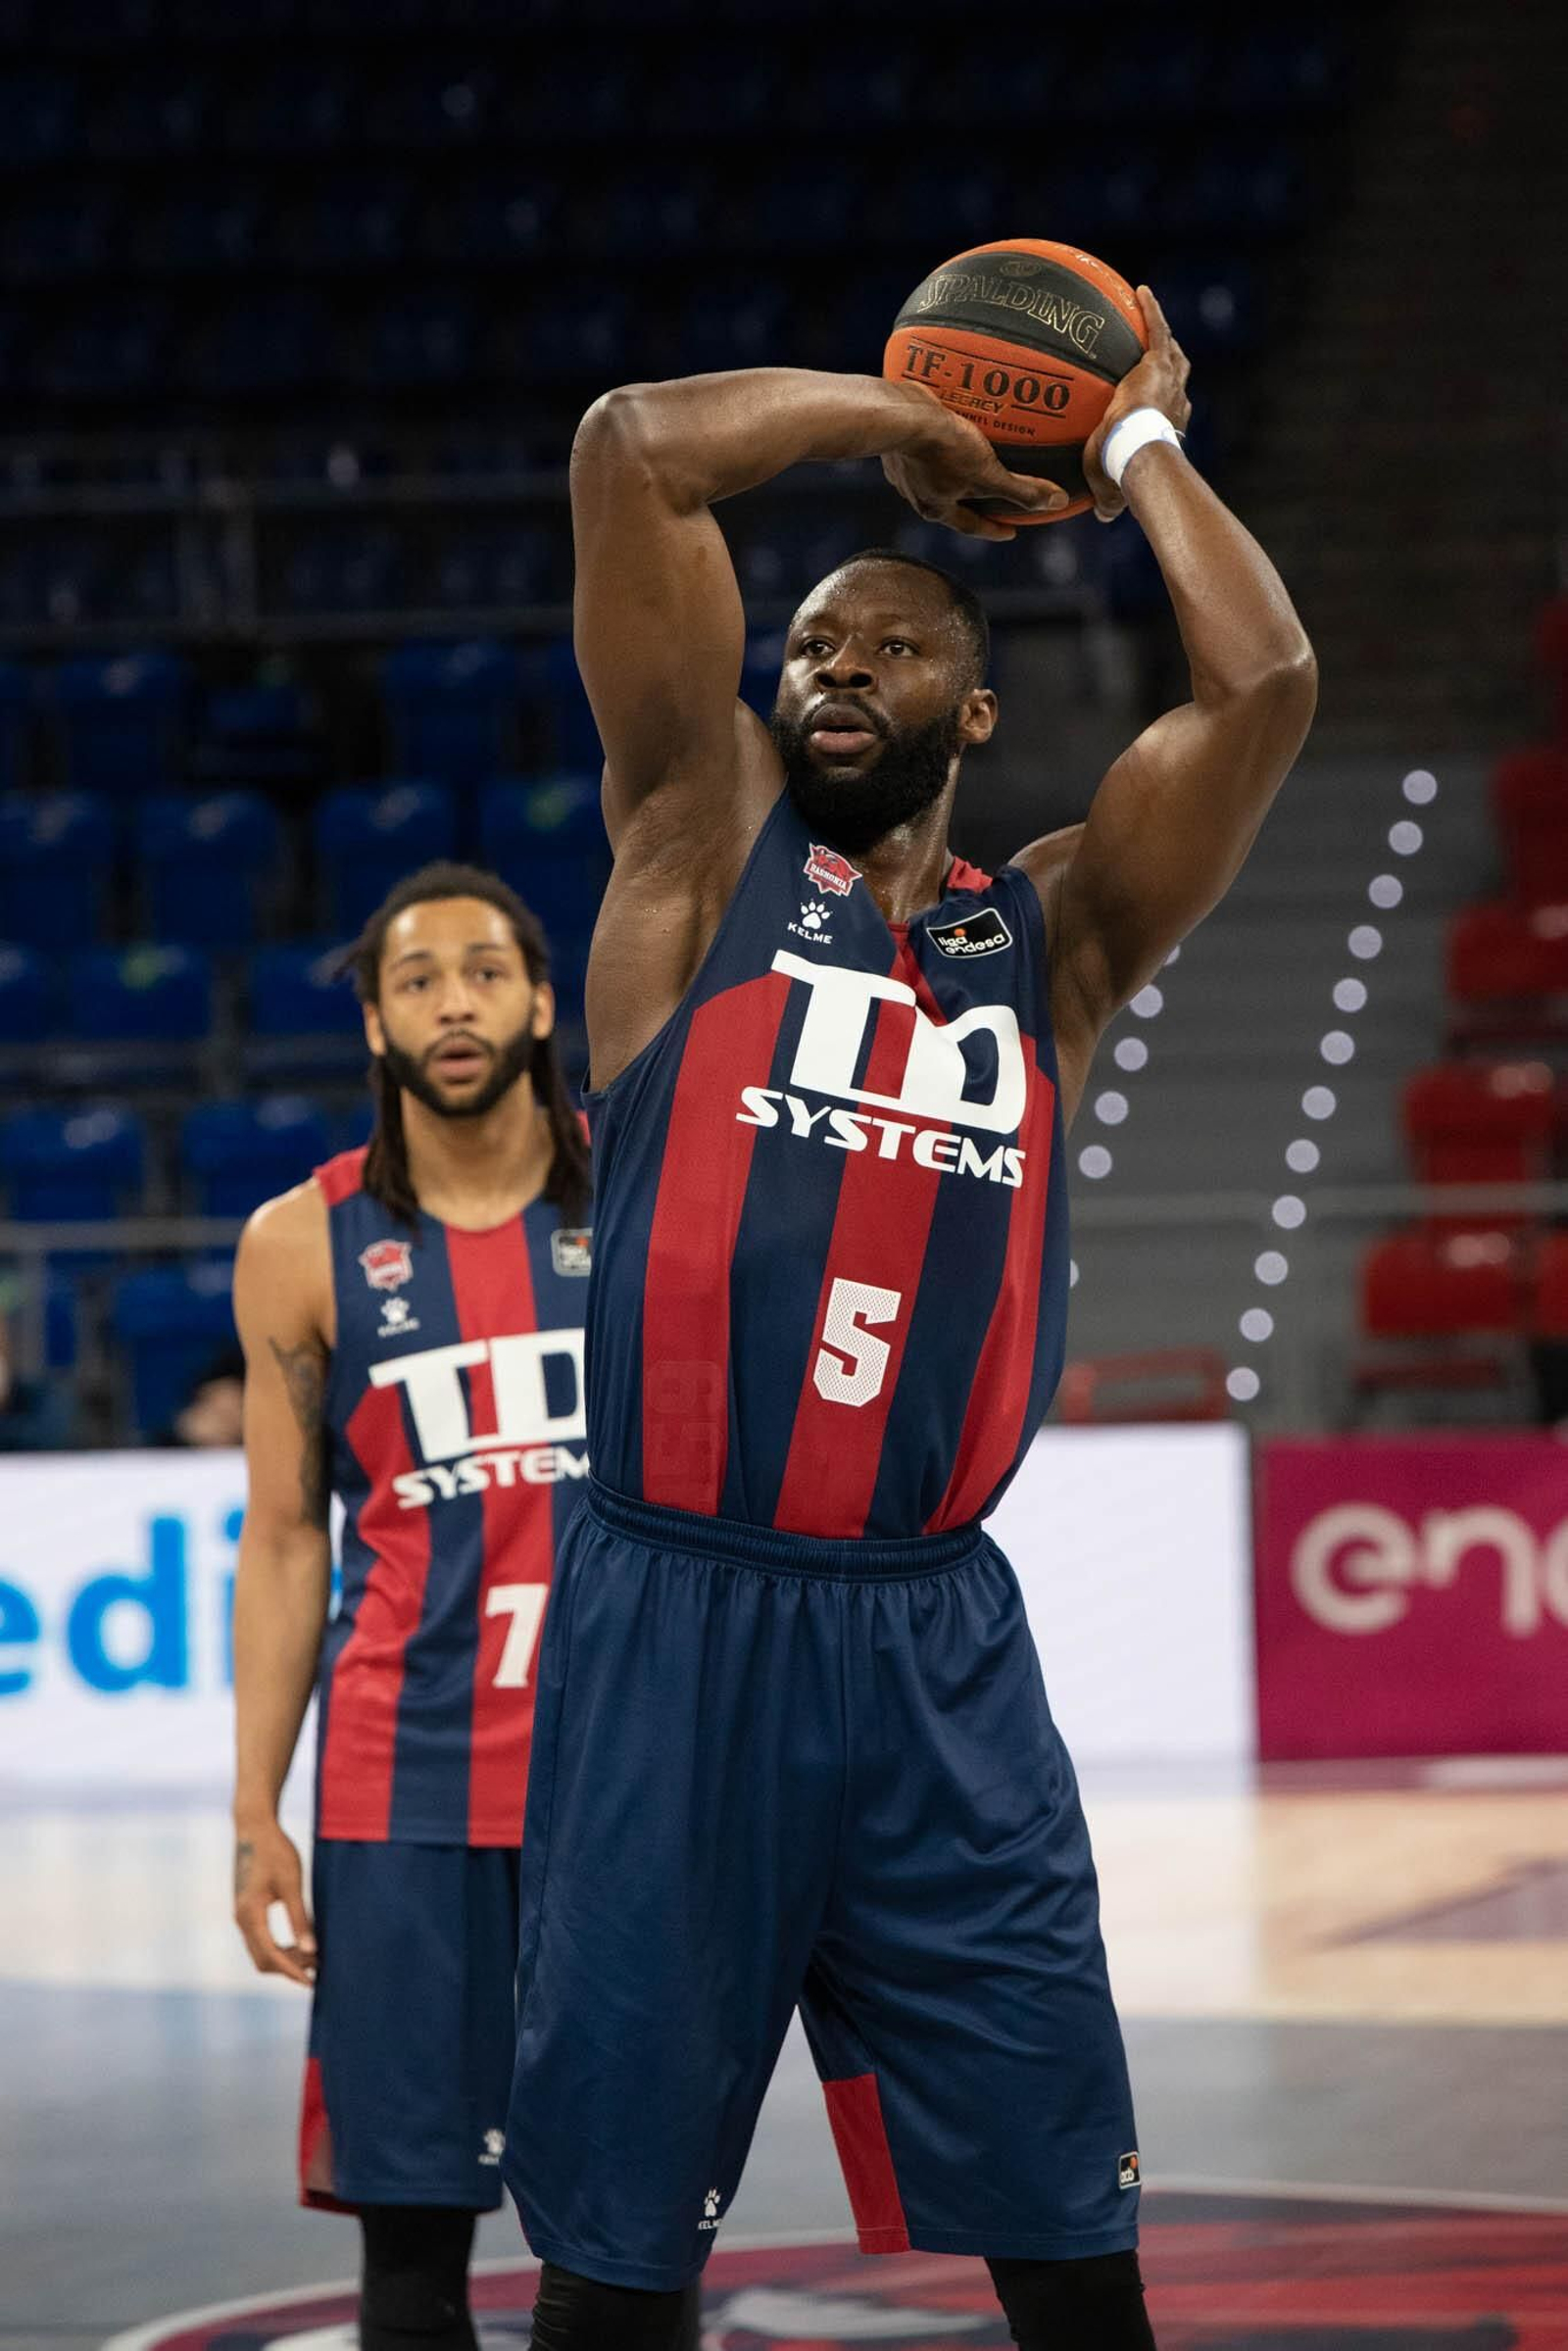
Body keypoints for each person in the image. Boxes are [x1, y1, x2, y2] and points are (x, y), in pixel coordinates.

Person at [503, 289, 1316, 2351]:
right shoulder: (691, 870)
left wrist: (1126, 440)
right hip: (674, 1618)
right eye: (811, 646)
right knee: (614, 2253)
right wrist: (900, 423)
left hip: (934, 1648)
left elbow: (1264, 681)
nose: (837, 664)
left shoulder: (1042, 946)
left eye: (894, 643)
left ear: (973, 713)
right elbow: (632, 443)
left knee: (1062, 2219)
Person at [230, 862, 593, 2351]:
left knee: (626, 2238)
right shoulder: (298, 1243)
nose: (455, 1000)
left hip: (618, 1791)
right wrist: (258, 1808)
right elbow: (278, 1540)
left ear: (543, 1001)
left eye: (485, 971)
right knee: (414, 2247)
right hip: (402, 1795)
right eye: (418, 979)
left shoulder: (636, 1188)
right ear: (376, 1025)